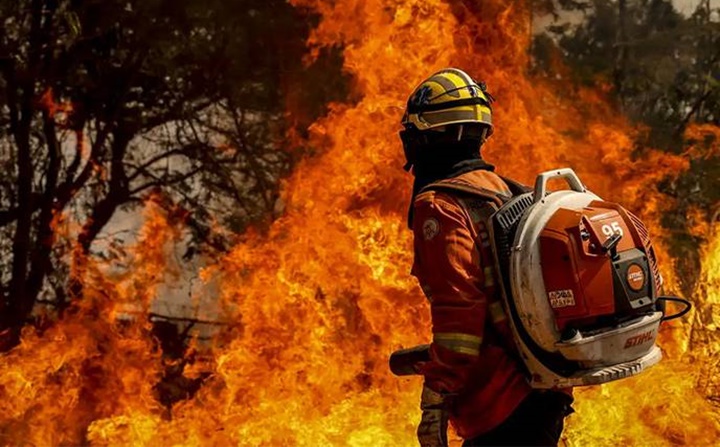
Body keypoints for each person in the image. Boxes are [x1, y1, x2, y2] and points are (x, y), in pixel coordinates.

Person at [400, 68, 573, 447]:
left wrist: (435, 399)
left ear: (425, 138)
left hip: (501, 403)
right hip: (544, 389)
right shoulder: (506, 191)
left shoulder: (441, 207)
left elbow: (459, 313)